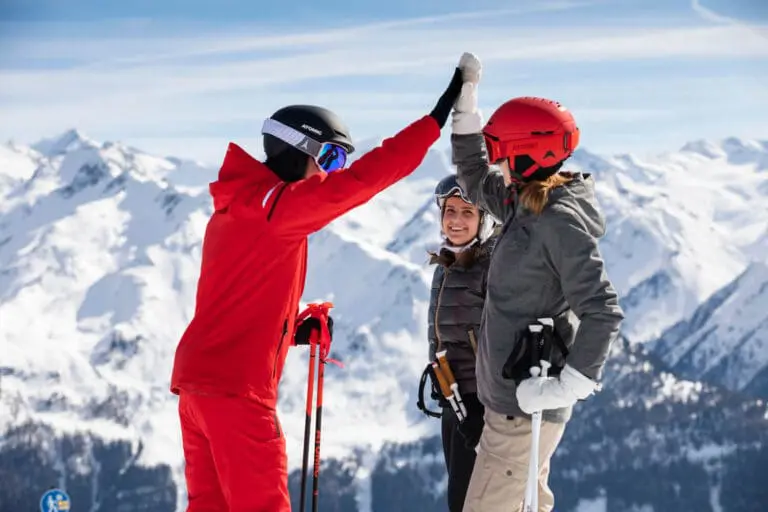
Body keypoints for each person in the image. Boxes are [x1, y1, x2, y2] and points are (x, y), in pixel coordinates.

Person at [169, 58, 466, 512]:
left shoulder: (236, 207)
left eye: (338, 161)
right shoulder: (277, 210)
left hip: (197, 388)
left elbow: (234, 300)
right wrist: (434, 122)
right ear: (297, 150)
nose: (331, 172)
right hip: (237, 393)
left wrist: (291, 329)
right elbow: (363, 180)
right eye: (328, 158)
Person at [450, 53, 625, 511]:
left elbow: (603, 310)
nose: (495, 161)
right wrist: (466, 107)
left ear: (528, 155)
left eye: (500, 151)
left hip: (523, 411)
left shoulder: (557, 222)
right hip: (510, 407)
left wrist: (567, 387)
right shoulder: (523, 204)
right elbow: (473, 177)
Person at [426, 174, 497, 512]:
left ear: (485, 219)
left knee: (474, 502)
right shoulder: (446, 264)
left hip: (482, 405)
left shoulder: (492, 267)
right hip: (453, 399)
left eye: (467, 212)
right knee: (459, 500)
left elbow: (500, 337)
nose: (456, 220)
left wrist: (484, 405)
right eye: (450, 211)